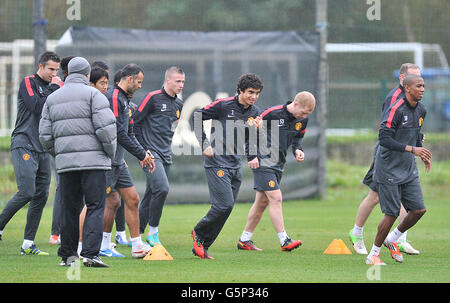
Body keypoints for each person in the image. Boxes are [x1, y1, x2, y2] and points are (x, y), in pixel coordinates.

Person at [39, 56, 117, 267]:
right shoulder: (95, 95)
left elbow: (44, 136)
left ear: (66, 73)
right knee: (95, 206)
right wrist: (109, 153)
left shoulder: (52, 98)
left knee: (70, 209)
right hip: (94, 164)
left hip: (66, 164)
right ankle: (90, 254)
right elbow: (107, 130)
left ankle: (68, 256)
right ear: (87, 75)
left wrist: (60, 154)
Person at [349, 63, 422, 255]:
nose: (417, 82)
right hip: (388, 154)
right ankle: (356, 233)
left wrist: (417, 141)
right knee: (374, 196)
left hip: (404, 155)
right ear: (402, 79)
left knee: (406, 197)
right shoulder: (394, 98)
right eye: (413, 78)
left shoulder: (416, 103)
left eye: (419, 78)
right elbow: (386, 133)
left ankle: (399, 239)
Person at [191, 73, 263, 259]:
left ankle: (202, 245)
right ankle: (198, 232)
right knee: (223, 204)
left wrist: (253, 154)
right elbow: (197, 116)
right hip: (217, 162)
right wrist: (204, 144)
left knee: (227, 207)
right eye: (250, 92)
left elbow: (249, 139)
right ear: (240, 90)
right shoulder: (223, 105)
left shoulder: (255, 112)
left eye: (256, 93)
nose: (253, 97)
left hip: (235, 164)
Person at [237, 91, 316, 252]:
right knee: (276, 198)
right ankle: (284, 240)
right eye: (302, 112)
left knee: (261, 203)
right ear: (295, 104)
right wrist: (252, 156)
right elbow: (250, 133)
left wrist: (297, 149)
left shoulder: (303, 120)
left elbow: (297, 137)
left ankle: (244, 239)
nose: (303, 116)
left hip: (279, 163)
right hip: (263, 161)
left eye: (307, 114)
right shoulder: (272, 114)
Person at [0, 51, 62, 255]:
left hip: (43, 147)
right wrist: (54, 88)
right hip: (24, 143)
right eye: (51, 69)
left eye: (56, 70)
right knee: (27, 191)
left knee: (41, 195)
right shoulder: (29, 82)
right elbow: (37, 106)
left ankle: (28, 244)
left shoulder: (54, 88)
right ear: (40, 66)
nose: (54, 74)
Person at [366, 74, 431, 265]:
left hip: (408, 167)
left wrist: (422, 153)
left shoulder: (421, 110)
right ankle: (373, 255)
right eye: (418, 86)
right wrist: (413, 149)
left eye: (423, 86)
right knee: (392, 213)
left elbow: (415, 135)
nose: (422, 89)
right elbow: (384, 139)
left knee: (419, 210)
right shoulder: (395, 109)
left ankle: (392, 239)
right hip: (388, 168)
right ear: (407, 88)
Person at [101, 63, 154, 258]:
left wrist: (144, 153)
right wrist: (140, 155)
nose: (140, 86)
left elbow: (130, 133)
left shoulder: (127, 100)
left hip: (118, 161)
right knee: (103, 203)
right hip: (106, 161)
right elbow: (118, 132)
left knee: (132, 199)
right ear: (129, 79)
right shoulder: (114, 97)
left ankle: (137, 246)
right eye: (139, 82)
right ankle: (96, 246)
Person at [134, 66, 185, 247]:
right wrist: (143, 151)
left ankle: (137, 235)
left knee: (151, 193)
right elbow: (135, 123)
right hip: (150, 154)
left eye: (183, 82)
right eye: (178, 81)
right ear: (168, 80)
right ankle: (153, 232)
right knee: (162, 188)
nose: (181, 85)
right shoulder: (153, 98)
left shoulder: (179, 104)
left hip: (165, 154)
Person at [49, 55, 74, 245]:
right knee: (62, 187)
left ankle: (71, 233)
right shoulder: (58, 91)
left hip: (75, 147)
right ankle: (56, 233)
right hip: (61, 147)